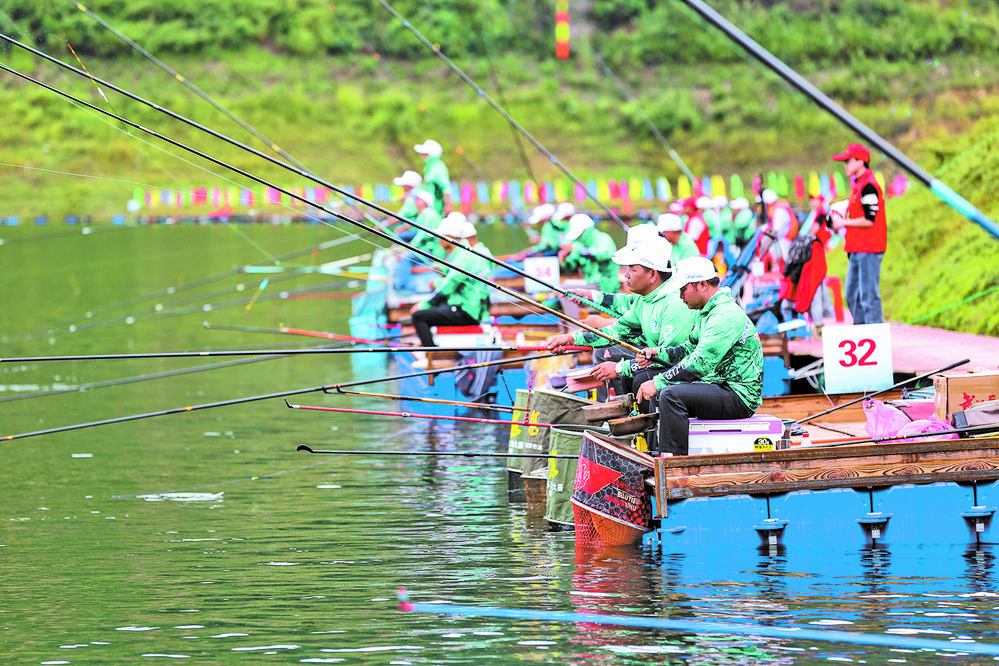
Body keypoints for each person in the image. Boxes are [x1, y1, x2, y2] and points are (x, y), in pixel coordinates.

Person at [635, 257, 764, 456]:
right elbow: (688, 350)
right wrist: (658, 353)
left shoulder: (724, 315)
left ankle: (674, 466)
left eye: (683, 289)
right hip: (718, 385)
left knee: (669, 395)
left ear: (702, 285)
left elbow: (699, 364)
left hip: (739, 395)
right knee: (659, 393)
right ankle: (654, 455)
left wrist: (658, 381)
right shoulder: (705, 312)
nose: (680, 296)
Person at [547, 235, 694, 399]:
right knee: (631, 375)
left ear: (652, 275)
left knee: (640, 378)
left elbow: (672, 359)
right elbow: (616, 332)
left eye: (632, 269)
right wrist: (571, 338)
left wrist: (618, 368)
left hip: (690, 375)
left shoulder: (673, 304)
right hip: (663, 365)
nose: (626, 275)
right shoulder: (644, 299)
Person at [410, 212, 493, 347]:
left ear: (448, 237)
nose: (438, 240)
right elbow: (453, 275)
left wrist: (423, 305)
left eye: (439, 237)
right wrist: (443, 269)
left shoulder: (464, 256)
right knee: (432, 311)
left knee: (418, 316)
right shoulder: (461, 253)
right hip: (463, 307)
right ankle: (434, 347)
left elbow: (448, 286)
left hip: (468, 311)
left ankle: (432, 355)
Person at [830, 142, 886, 325]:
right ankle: (861, 333)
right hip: (856, 247)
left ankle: (874, 337)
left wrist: (843, 222)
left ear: (860, 162)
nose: (845, 165)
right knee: (852, 293)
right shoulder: (859, 184)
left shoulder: (869, 185)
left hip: (868, 248)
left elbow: (870, 220)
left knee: (868, 296)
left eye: (848, 161)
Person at [394, 191, 444, 293]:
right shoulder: (423, 214)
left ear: (425, 202)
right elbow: (416, 231)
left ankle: (402, 288)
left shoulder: (429, 214)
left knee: (405, 257)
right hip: (425, 248)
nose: (415, 201)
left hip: (432, 251)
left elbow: (421, 236)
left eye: (418, 199)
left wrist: (405, 249)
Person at [558, 213, 619, 293]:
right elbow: (572, 266)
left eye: (579, 235)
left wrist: (577, 248)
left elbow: (602, 254)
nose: (578, 238)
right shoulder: (580, 244)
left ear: (586, 230)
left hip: (607, 288)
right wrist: (564, 261)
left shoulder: (603, 238)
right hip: (591, 287)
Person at [414, 139, 451, 216]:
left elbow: (445, 187)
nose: (422, 156)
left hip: (437, 208)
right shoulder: (430, 167)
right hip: (430, 207)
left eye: (424, 154)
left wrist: (448, 205)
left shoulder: (438, 166)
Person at [387, 169, 422, 242]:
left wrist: (383, 225)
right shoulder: (416, 195)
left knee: (399, 236)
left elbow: (400, 217)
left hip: (418, 232)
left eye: (404, 184)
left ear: (409, 185)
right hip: (414, 229)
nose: (402, 186)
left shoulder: (413, 199)